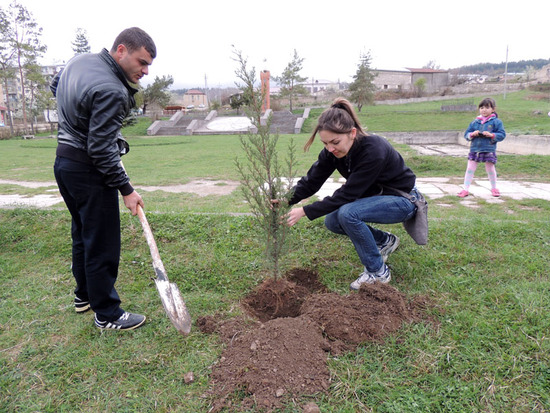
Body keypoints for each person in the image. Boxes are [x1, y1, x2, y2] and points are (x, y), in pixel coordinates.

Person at [51, 27, 156, 330]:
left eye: (148, 65)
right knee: (102, 242)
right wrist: (126, 189)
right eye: (141, 62)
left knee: (83, 233)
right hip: (88, 171)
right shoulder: (113, 89)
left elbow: (56, 84)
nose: (145, 71)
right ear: (121, 50)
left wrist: (75, 115)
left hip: (64, 165)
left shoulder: (78, 61)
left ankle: (84, 295)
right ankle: (107, 313)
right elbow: (100, 148)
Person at [285, 98, 418, 290]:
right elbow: (312, 181)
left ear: (352, 133)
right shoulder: (333, 153)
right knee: (332, 220)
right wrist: (285, 199)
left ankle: (378, 272)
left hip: (403, 200)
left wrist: (304, 211)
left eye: (335, 142)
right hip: (376, 198)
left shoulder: (374, 149)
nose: (330, 148)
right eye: (325, 143)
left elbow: (347, 195)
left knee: (348, 213)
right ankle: (384, 241)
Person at [458, 97, 506, 198]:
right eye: (482, 107)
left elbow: (502, 134)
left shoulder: (497, 122)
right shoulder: (475, 122)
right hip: (475, 149)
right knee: (470, 169)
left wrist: (491, 135)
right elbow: (466, 134)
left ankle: (494, 188)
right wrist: (472, 134)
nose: (484, 110)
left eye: (487, 107)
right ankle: (465, 189)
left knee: (490, 169)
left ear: (493, 109)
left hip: (489, 149)